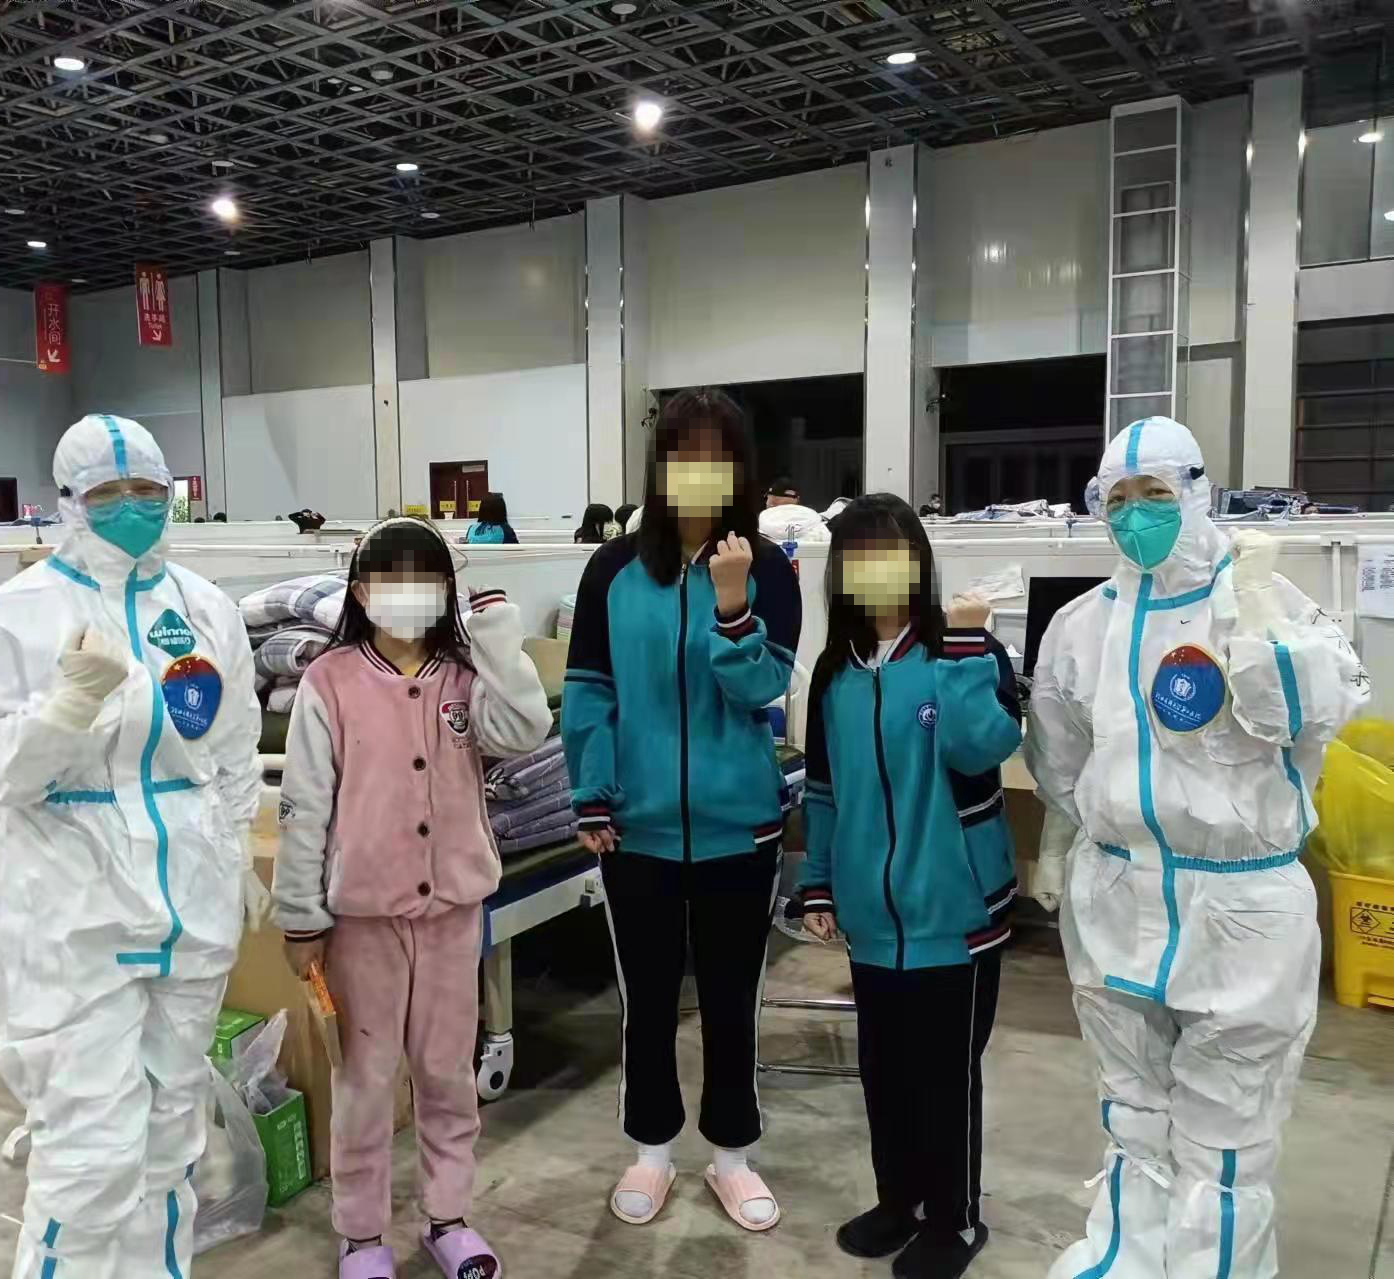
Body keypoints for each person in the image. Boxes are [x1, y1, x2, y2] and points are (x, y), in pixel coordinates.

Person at [1028, 416, 1370, 1279]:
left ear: (1196, 491)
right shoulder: (1081, 625)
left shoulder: (1266, 602)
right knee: (1131, 1107)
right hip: (1118, 897)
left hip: (1240, 911)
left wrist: (1255, 616)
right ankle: (1125, 1255)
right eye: (1118, 499)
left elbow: (1313, 715)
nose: (1136, 514)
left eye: (1155, 494)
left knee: (1226, 1132)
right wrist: (1090, 842)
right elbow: (1058, 758)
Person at [0, 413, 263, 1279]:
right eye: (110, 492)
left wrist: (235, 849)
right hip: (71, 914)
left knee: (169, 1143)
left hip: (188, 906)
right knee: (90, 1160)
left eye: (149, 490)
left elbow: (234, 743)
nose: (133, 507)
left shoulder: (203, 608)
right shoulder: (25, 610)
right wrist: (66, 707)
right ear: (70, 502)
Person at [271, 517, 550, 1279]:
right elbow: (303, 806)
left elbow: (525, 728)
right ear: (362, 592)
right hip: (363, 919)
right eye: (389, 579)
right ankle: (362, 1234)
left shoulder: (464, 676)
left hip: (453, 912)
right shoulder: (330, 681)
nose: (406, 594)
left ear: (446, 592)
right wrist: (299, 915)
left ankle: (448, 1215)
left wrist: (497, 635)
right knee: (365, 1081)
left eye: (425, 579)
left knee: (447, 1073)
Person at [562, 386, 802, 1234]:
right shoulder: (612, 569)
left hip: (742, 826)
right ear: (660, 465)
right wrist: (592, 791)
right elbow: (589, 689)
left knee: (734, 998)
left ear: (740, 468)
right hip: (639, 829)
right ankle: (651, 1149)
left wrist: (733, 602)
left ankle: (733, 1155)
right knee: (649, 1000)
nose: (699, 471)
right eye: (682, 453)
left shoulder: (769, 568)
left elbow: (763, 686)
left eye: (716, 455)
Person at [791, 494, 1020, 1279]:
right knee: (884, 1072)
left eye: (893, 554)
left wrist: (966, 647)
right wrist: (819, 885)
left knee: (944, 1077)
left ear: (919, 563)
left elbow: (982, 744)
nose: (878, 573)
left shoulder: (965, 653)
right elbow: (824, 792)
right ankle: (899, 1201)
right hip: (871, 918)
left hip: (955, 914)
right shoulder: (836, 674)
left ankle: (955, 1219)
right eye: (860, 557)